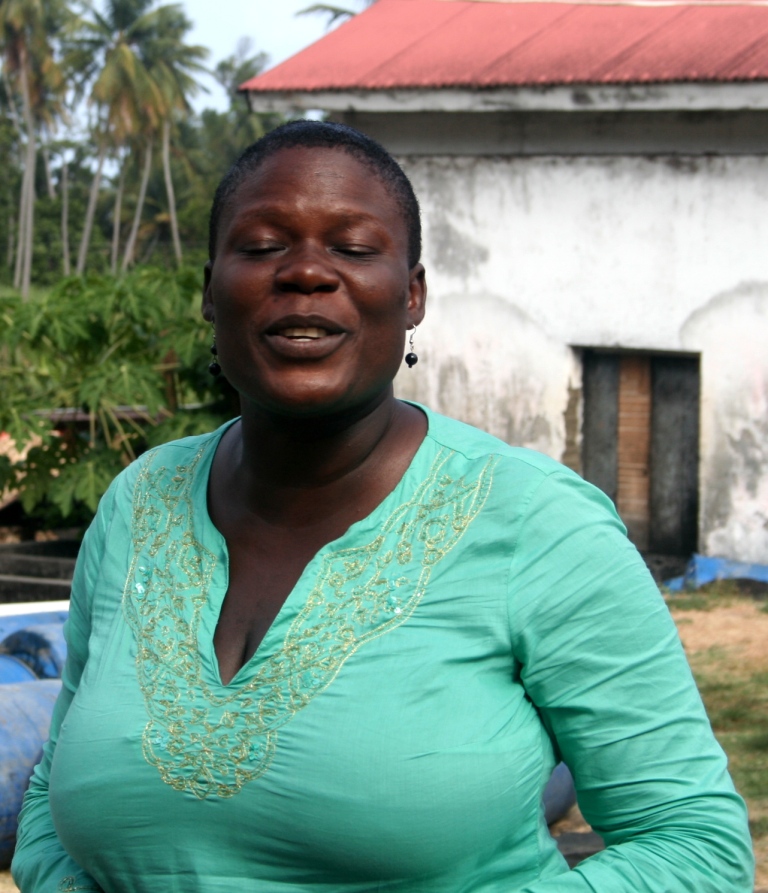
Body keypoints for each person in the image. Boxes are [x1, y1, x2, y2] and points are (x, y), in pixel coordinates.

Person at [13, 121, 753, 892]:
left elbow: (695, 845)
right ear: (209, 290)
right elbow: (47, 796)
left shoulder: (540, 525)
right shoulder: (138, 505)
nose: (305, 272)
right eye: (262, 245)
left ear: (412, 295)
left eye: (354, 247)